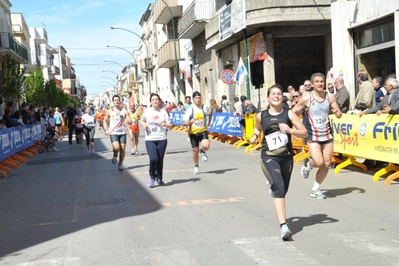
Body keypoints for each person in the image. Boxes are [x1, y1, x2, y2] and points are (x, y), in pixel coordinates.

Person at [249, 84, 308, 240]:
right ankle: (284, 226)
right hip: (269, 156)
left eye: (279, 94)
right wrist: (254, 136)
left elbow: (304, 132)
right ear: (268, 97)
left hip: (286, 158)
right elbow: (257, 128)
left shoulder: (289, 114)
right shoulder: (261, 115)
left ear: (283, 97)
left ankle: (272, 184)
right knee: (279, 189)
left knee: (283, 190)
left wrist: (290, 130)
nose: (276, 96)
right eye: (273, 94)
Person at [292, 72, 342, 199]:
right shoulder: (306, 98)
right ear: (312, 84)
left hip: (327, 133)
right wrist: (295, 129)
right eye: (317, 81)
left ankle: (315, 188)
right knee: (319, 162)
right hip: (312, 134)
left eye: (322, 81)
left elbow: (338, 113)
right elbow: (293, 112)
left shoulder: (330, 97)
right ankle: (308, 164)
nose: (320, 84)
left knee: (327, 163)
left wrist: (337, 112)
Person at [139, 93, 174, 187]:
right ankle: (152, 177)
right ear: (150, 102)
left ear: (159, 101)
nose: (155, 101)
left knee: (160, 159)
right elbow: (141, 120)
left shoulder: (163, 112)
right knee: (153, 158)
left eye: (156, 99)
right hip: (150, 139)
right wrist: (144, 124)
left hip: (162, 138)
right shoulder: (147, 111)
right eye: (153, 99)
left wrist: (166, 125)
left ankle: (160, 178)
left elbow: (170, 125)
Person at [183, 91, 212, 175]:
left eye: (199, 98)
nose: (198, 99)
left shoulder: (205, 107)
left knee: (206, 146)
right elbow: (184, 122)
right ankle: (196, 165)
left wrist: (209, 122)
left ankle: (203, 151)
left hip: (203, 131)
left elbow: (210, 113)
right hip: (193, 133)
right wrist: (190, 122)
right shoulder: (190, 109)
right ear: (193, 99)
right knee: (195, 151)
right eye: (196, 98)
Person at [103, 95, 132, 171]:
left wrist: (127, 121)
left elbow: (130, 121)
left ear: (120, 101)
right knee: (116, 148)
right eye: (115, 100)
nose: (117, 101)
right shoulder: (109, 111)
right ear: (113, 101)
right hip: (113, 132)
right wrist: (106, 129)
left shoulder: (124, 111)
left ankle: (120, 164)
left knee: (122, 149)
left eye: (118, 100)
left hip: (122, 132)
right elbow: (104, 121)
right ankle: (115, 155)